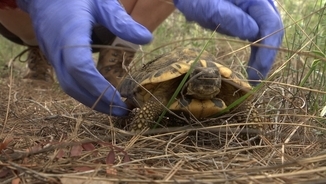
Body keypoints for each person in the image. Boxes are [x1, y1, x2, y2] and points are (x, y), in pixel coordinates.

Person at [0, 0, 283, 117]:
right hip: (27, 14)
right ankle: (40, 49)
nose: (208, 83)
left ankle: (117, 57)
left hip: (121, 14)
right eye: (199, 79)